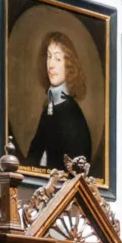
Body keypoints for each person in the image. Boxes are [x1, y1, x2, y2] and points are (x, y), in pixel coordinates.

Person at [23, 34, 93, 174]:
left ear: (69, 65)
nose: (51, 65)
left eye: (58, 58)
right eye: (49, 57)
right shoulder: (50, 108)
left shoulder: (71, 113)